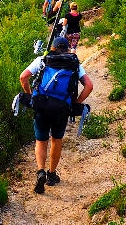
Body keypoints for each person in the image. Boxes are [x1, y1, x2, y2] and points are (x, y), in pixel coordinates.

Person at [19, 36, 93, 194]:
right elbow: (89, 85)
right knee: (56, 139)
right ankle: (52, 175)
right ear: (67, 49)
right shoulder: (74, 63)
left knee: (41, 140)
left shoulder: (43, 59)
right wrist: (76, 103)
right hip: (62, 109)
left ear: (52, 47)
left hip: (42, 106)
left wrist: (31, 96)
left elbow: (23, 77)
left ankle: (41, 172)